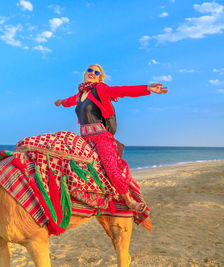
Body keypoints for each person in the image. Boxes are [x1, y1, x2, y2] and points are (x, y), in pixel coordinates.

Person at [55, 64, 168, 212]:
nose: (92, 73)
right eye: (90, 70)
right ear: (86, 72)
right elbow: (69, 101)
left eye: (96, 72)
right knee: (70, 165)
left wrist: (147, 88)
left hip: (101, 137)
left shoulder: (99, 89)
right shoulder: (79, 95)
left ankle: (128, 200)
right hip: (84, 140)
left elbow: (121, 91)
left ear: (99, 77)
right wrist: (60, 102)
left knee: (112, 171)